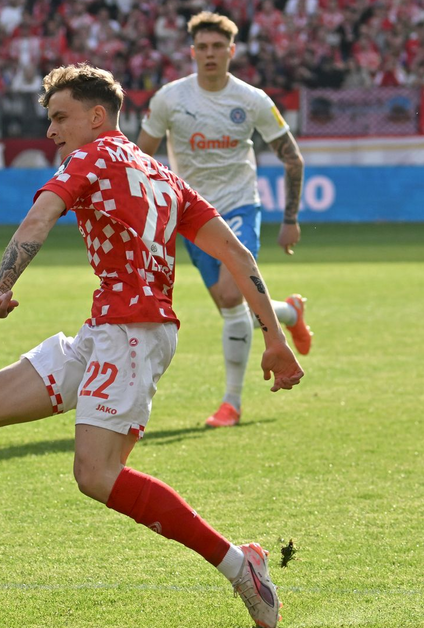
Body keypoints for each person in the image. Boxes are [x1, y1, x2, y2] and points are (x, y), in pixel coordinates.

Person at [0, 63, 304, 628]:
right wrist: (275, 338)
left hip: (134, 335)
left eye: (60, 117)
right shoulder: (165, 177)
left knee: (96, 475)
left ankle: (243, 568)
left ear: (98, 117)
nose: (51, 131)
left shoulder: (89, 158)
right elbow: (238, 257)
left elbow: (41, 215)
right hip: (109, 330)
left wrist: (3, 283)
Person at [137, 12, 312, 428]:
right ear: (193, 51)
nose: (210, 54)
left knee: (233, 297)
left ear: (232, 51)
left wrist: (290, 219)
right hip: (191, 216)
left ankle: (231, 403)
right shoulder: (169, 99)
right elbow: (140, 158)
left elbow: (293, 158)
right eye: (203, 47)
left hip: (238, 208)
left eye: (218, 47)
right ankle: (288, 312)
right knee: (228, 301)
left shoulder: (252, 100)